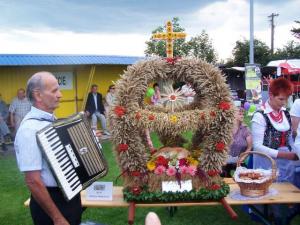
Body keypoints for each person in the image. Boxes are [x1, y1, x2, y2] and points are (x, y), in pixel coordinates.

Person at [14, 72, 82, 225]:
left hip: (68, 195)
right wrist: (57, 218)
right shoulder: (29, 129)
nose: (60, 95)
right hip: (51, 203)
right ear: (38, 95)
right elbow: (33, 181)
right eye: (54, 91)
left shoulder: (51, 120)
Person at [251, 77, 300, 224]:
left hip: (286, 162)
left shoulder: (284, 113)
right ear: (271, 95)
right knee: (270, 191)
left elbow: (290, 138)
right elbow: (257, 146)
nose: (284, 103)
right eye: (281, 99)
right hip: (267, 161)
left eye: (286, 99)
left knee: (285, 192)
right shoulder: (260, 116)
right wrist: (286, 155)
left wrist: (296, 150)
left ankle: (283, 217)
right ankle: (271, 217)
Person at [223, 107, 252, 177]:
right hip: (224, 161)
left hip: (239, 161)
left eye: (243, 114)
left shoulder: (246, 129)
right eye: (240, 114)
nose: (242, 116)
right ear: (233, 115)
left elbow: (249, 147)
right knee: (223, 175)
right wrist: (222, 159)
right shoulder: (225, 129)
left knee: (245, 176)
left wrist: (243, 158)